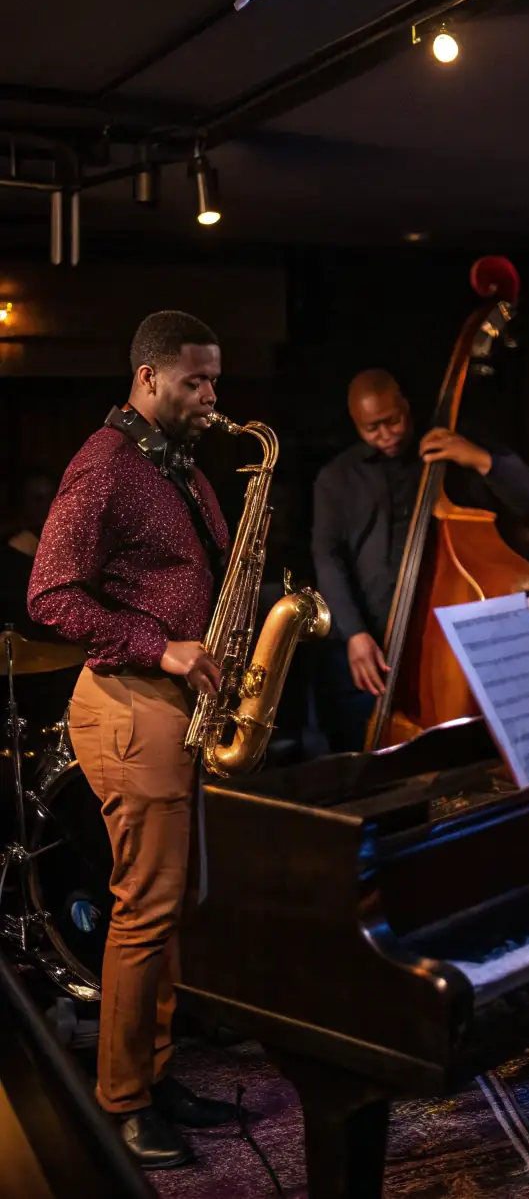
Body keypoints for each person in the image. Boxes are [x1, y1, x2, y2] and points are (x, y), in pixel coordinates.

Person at [28, 311, 236, 1170]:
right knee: (143, 911)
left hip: (175, 703)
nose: (212, 396)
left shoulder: (176, 464)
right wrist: (163, 646)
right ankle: (120, 1100)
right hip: (131, 699)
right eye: (196, 380)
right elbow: (49, 596)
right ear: (148, 379)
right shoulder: (105, 466)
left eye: (214, 379)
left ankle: (154, 1070)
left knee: (169, 906)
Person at [312, 368, 529, 740]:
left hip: (440, 644)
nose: (385, 434)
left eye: (392, 420)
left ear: (405, 405)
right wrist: (354, 632)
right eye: (371, 428)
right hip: (366, 643)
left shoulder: (449, 451)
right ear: (355, 424)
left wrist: (479, 458)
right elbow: (327, 557)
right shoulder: (337, 478)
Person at [0, 470, 57, 633]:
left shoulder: (70, 548)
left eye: (50, 497)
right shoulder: (8, 553)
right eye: (36, 498)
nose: (45, 505)